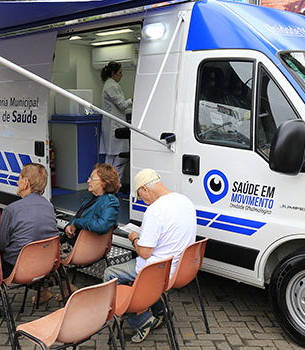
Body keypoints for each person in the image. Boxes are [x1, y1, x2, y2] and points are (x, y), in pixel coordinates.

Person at [103, 168, 196, 343]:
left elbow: (145, 252)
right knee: (131, 269)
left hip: (157, 271)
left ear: (145, 189)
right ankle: (159, 309)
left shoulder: (155, 210)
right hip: (179, 267)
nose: (143, 201)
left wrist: (134, 237)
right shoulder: (184, 201)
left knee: (110, 273)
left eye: (140, 196)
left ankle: (142, 320)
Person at [0, 163, 58, 318]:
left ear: (26, 183)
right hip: (44, 266)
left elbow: (2, 244)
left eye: (19, 178)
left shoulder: (12, 209)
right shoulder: (49, 205)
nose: (17, 182)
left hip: (18, 269)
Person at [63, 163, 120, 244]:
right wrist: (68, 227)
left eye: (92, 178)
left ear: (105, 182)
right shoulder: (90, 198)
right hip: (76, 242)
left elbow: (102, 226)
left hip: (85, 247)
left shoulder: (111, 202)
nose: (88, 181)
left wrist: (77, 223)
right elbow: (78, 216)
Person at [99, 61, 132, 181]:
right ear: (113, 73)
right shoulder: (112, 86)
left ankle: (107, 183)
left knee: (111, 156)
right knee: (120, 156)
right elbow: (122, 105)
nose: (121, 75)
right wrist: (132, 99)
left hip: (113, 124)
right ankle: (114, 184)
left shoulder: (109, 84)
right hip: (114, 126)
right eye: (120, 73)